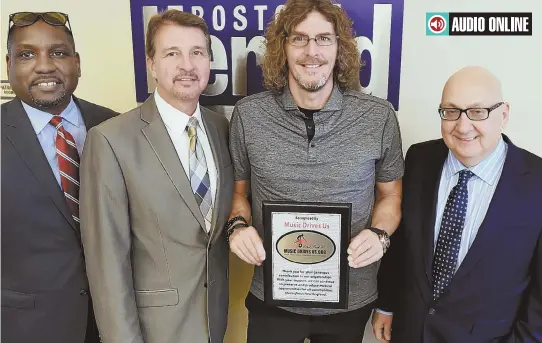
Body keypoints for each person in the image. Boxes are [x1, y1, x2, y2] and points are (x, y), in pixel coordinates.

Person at [226, 0, 404, 342]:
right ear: (283, 47)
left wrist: (380, 235)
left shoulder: (378, 117)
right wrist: (237, 227)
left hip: (350, 299)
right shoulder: (248, 116)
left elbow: (391, 195)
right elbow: (238, 194)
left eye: (324, 38)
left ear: (340, 48)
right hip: (272, 297)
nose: (312, 51)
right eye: (299, 39)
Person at [79, 10, 233, 343]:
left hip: (214, 324)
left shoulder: (222, 129)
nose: (187, 65)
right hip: (153, 332)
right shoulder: (110, 140)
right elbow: (107, 263)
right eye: (172, 53)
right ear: (151, 64)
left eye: (197, 52)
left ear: (209, 61)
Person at [373, 66, 542, 343]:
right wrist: (387, 303)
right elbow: (403, 242)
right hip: (410, 333)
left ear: (504, 114)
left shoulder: (537, 182)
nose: (462, 126)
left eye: (477, 112)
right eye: (451, 111)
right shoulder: (419, 158)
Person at [1, 11, 118, 343]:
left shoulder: (115, 126)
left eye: (58, 52)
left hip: (113, 325)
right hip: (24, 328)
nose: (45, 65)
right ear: (8, 64)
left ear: (77, 63)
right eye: (27, 54)